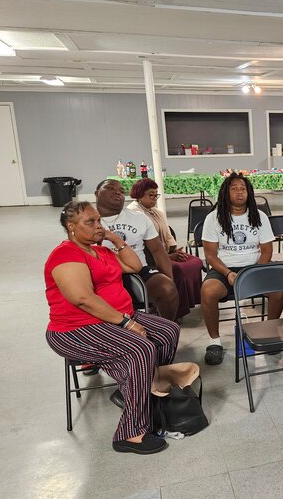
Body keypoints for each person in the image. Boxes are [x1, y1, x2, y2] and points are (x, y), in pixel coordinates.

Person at [45, 201, 180, 455]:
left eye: (99, 221)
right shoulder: (66, 255)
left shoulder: (102, 252)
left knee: (167, 331)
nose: (98, 226)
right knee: (141, 348)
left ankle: (139, 392)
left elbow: (134, 266)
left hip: (114, 318)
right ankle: (131, 433)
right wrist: (127, 323)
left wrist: (113, 238)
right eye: (90, 222)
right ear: (71, 227)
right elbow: (82, 298)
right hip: (76, 329)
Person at [200, 173, 283, 365]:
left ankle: (269, 334)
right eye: (234, 188)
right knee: (208, 291)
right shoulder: (214, 218)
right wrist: (228, 273)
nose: (239, 192)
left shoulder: (259, 216)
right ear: (225, 192)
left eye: (243, 188)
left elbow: (267, 250)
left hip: (255, 268)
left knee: (278, 291)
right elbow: (211, 255)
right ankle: (215, 342)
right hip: (224, 269)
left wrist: (254, 272)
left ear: (249, 193)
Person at [95, 179, 179, 321]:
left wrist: (169, 280)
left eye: (122, 191)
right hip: (103, 274)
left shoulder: (139, 218)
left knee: (167, 289)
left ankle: (167, 330)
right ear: (97, 194)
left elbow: (158, 251)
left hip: (139, 270)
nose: (117, 192)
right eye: (110, 188)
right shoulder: (88, 221)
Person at [127, 178, 204, 320]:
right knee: (178, 269)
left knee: (195, 262)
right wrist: (168, 257)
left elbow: (168, 236)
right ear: (139, 195)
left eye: (156, 194)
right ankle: (172, 310)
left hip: (165, 253)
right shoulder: (133, 213)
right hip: (150, 258)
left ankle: (188, 304)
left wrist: (175, 251)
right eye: (151, 195)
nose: (155, 199)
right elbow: (143, 247)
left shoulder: (156, 212)